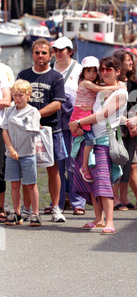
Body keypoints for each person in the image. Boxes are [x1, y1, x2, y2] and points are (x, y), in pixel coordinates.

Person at [69, 56, 128, 234]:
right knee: (91, 181)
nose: (104, 72)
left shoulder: (121, 92)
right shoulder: (102, 90)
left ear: (118, 71)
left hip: (103, 141)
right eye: (102, 69)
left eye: (109, 69)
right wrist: (79, 125)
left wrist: (78, 123)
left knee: (103, 181)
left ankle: (110, 221)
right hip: (90, 139)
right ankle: (98, 219)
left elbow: (103, 114)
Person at [17, 38, 67, 223]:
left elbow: (57, 104)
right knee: (27, 170)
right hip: (27, 131)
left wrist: (35, 114)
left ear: (50, 54)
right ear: (32, 54)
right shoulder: (23, 75)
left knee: (53, 170)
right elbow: (18, 99)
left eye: (44, 53)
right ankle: (27, 209)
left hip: (50, 130)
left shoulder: (56, 77)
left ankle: (55, 207)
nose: (40, 56)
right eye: (37, 52)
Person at [70, 56, 121, 183]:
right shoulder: (84, 82)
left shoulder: (92, 83)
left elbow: (101, 86)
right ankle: (85, 166)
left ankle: (86, 163)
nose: (92, 74)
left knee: (88, 139)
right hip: (80, 114)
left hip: (86, 114)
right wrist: (118, 87)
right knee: (91, 140)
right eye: (89, 71)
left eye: (94, 71)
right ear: (83, 72)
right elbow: (99, 89)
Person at [52, 36, 85, 215]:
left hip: (74, 123)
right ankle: (56, 202)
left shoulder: (79, 70)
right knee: (56, 164)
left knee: (74, 164)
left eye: (61, 50)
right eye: (55, 50)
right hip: (55, 122)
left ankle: (77, 202)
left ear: (70, 51)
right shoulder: (50, 69)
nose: (58, 53)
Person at [2, 80, 41, 227]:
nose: (17, 99)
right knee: (14, 183)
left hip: (27, 152)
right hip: (12, 153)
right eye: (15, 95)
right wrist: (11, 149)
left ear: (28, 95)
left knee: (31, 184)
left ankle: (35, 213)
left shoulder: (33, 112)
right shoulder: (10, 110)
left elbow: (30, 130)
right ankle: (16, 212)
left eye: (21, 95)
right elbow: (5, 130)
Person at [112, 50, 137, 210]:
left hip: (132, 126)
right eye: (128, 60)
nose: (131, 63)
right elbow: (113, 109)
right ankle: (115, 198)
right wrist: (129, 123)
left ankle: (124, 198)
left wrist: (136, 120)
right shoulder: (113, 83)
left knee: (128, 163)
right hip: (119, 127)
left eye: (132, 61)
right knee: (117, 162)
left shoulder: (134, 82)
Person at [0, 67, 11, 224]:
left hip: (0, 126)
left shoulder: (2, 70)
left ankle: (0, 207)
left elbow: (7, 100)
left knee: (0, 170)